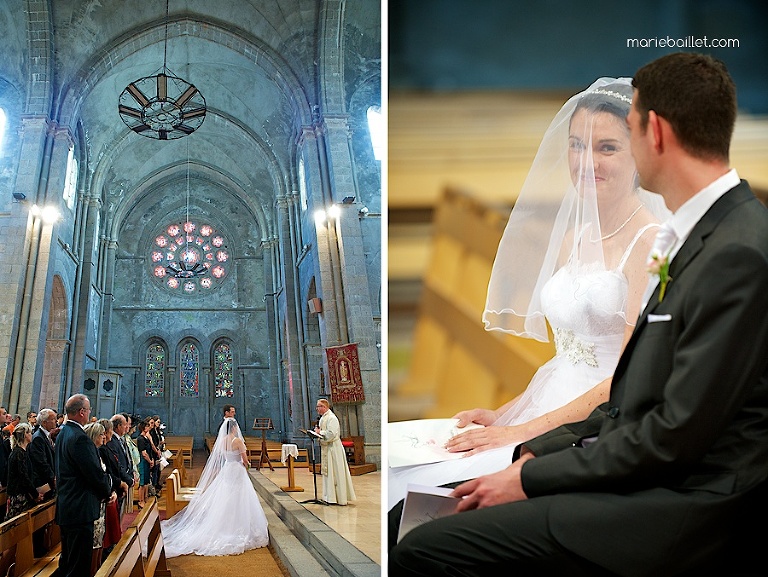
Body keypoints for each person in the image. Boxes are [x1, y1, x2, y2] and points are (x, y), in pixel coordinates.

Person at [389, 52, 768, 576]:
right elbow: (648, 387)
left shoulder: (733, 252)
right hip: (627, 450)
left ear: (652, 133)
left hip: (687, 503)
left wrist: (531, 470)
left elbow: (671, 430)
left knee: (424, 542)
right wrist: (523, 436)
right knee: (409, 505)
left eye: (623, 135)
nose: (590, 158)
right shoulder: (701, 234)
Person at [388, 77, 670, 509]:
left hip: (601, 419)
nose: (585, 161)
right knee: (406, 470)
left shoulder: (650, 243)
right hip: (550, 399)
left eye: (606, 148)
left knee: (443, 494)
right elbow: (567, 357)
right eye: (576, 145)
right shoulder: (576, 235)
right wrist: (503, 414)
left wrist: (518, 433)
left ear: (639, 155)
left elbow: (630, 376)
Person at [160, 414, 269, 556]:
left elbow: (223, 457)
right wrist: (247, 466)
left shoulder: (222, 440)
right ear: (235, 428)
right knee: (239, 498)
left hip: (228, 469)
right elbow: (245, 461)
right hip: (237, 470)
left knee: (226, 496)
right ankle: (237, 525)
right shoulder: (238, 442)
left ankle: (223, 525)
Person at [55, 394, 113, 577]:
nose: (89, 413)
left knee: (69, 561)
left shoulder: (63, 433)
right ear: (81, 412)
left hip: (67, 507)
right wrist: (108, 490)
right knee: (79, 566)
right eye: (88, 410)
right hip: (80, 509)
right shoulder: (80, 438)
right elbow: (94, 474)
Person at [84, 421, 120, 576]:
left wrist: (110, 491)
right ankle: (93, 571)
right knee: (94, 541)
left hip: (102, 501)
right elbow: (97, 477)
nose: (104, 436)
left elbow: (105, 475)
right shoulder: (91, 454)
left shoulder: (97, 452)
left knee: (99, 539)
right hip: (95, 503)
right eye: (101, 434)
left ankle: (98, 569)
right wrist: (108, 491)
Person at [314, 399, 356, 505]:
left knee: (335, 472)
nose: (317, 409)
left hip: (333, 448)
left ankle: (338, 498)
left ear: (324, 407)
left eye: (318, 406)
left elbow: (331, 434)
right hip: (327, 448)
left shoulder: (332, 418)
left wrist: (320, 432)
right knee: (329, 473)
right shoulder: (324, 418)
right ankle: (328, 497)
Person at [4, 423, 45, 520]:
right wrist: (35, 494)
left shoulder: (23, 452)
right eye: (29, 432)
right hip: (19, 496)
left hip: (23, 494)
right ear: (24, 435)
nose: (31, 435)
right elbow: (23, 477)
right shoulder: (18, 453)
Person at [104, 414, 135, 519]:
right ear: (118, 426)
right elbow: (116, 464)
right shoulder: (111, 442)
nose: (127, 427)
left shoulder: (119, 440)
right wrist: (126, 479)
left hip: (122, 480)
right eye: (125, 424)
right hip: (118, 482)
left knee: (120, 514)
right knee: (116, 515)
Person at [136, 420, 154, 510]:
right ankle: (141, 501)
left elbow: (149, 450)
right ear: (143, 428)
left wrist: (151, 460)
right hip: (143, 461)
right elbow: (143, 453)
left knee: (146, 481)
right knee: (142, 482)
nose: (148, 427)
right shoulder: (140, 438)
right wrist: (150, 461)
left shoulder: (146, 438)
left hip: (148, 461)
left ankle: (146, 498)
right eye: (147, 426)